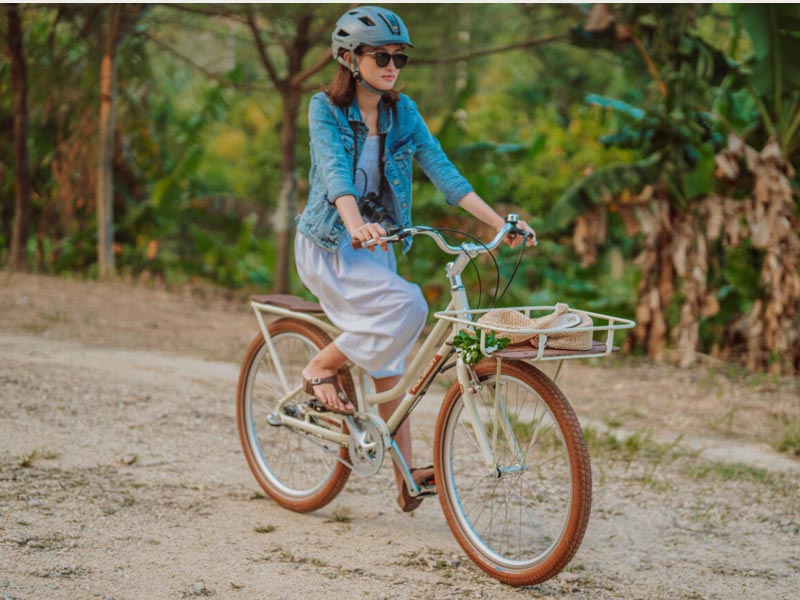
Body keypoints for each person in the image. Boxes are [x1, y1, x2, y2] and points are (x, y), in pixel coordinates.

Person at [294, 5, 536, 512]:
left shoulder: (403, 112)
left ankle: (405, 478)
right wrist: (354, 223)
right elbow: (334, 172)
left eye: (398, 58)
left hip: (376, 249)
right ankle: (320, 366)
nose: (392, 67)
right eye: (380, 57)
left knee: (392, 356)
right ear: (349, 58)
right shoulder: (325, 108)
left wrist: (500, 223)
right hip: (331, 244)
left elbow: (445, 174)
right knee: (409, 306)